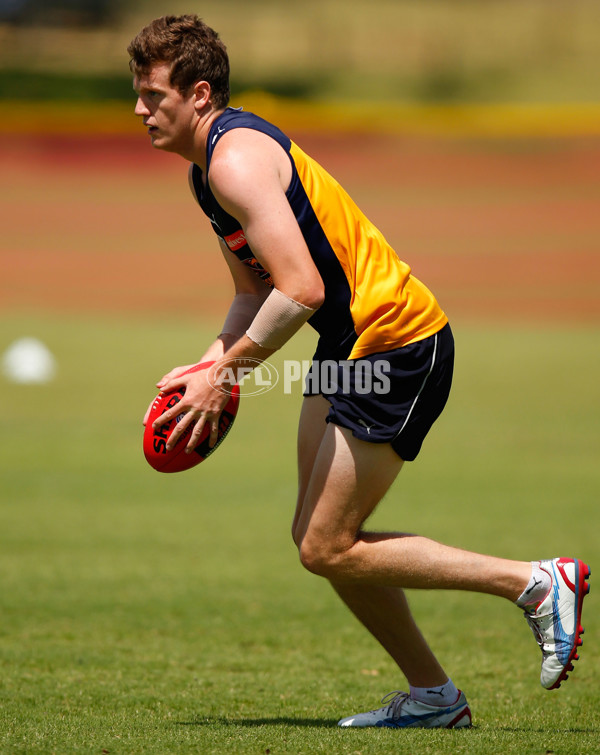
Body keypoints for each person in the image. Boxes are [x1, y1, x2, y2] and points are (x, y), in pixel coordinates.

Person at [129, 15, 590, 729]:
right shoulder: (206, 173)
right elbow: (255, 291)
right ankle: (434, 697)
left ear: (197, 94)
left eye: (151, 94)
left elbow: (301, 289)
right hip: (351, 346)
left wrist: (229, 372)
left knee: (328, 544)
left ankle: (534, 582)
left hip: (395, 343)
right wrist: (212, 360)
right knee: (319, 542)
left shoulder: (233, 162)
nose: (138, 109)